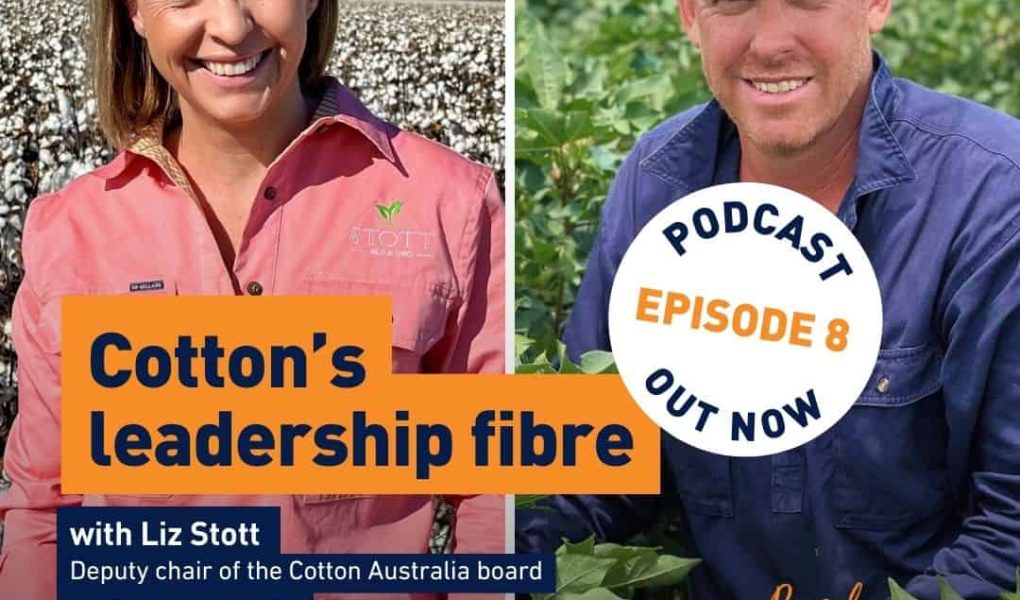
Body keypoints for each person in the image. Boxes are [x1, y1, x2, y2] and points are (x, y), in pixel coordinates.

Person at [0, 0, 505, 598]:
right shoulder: (70, 232)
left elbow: (494, 487)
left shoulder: (450, 203)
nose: (232, 28)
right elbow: (46, 507)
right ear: (134, 12)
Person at [516, 0, 1020, 598]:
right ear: (688, 15)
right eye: (733, 4)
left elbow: (1008, 533)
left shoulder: (992, 194)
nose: (769, 42)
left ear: (875, 5)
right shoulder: (657, 185)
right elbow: (581, 473)